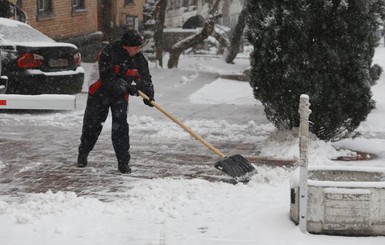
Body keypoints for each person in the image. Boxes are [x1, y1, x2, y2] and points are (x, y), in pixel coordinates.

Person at [77, 29, 154, 174]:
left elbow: (145, 79)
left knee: (121, 128)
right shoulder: (108, 53)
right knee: (92, 126)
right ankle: (83, 153)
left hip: (120, 95)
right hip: (99, 92)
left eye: (139, 47)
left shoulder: (139, 58)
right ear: (126, 45)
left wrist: (149, 95)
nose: (138, 50)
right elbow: (108, 78)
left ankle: (123, 163)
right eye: (135, 47)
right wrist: (127, 86)